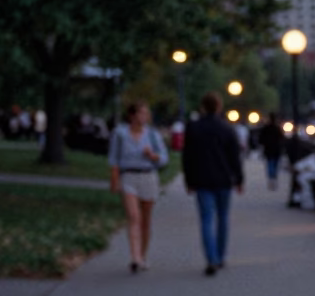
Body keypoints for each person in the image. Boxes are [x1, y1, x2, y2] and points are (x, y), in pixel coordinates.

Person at [183, 92, 244, 276]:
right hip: (224, 180)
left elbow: (188, 157)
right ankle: (220, 255)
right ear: (219, 107)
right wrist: (239, 179)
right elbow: (235, 157)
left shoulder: (194, 128)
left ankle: (211, 258)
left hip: (202, 180)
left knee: (206, 220)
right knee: (223, 218)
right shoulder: (227, 128)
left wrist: (189, 180)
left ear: (202, 107)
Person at [108, 102, 169, 273]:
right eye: (141, 113)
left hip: (148, 176)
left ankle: (143, 256)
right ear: (132, 115)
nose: (144, 117)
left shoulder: (152, 134)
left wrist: (153, 156)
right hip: (128, 176)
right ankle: (134, 257)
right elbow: (114, 159)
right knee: (134, 216)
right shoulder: (120, 133)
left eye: (146, 114)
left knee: (146, 219)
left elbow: (164, 159)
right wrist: (114, 179)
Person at [257, 113, 285, 191]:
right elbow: (282, 138)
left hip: (269, 149)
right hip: (276, 150)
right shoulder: (277, 128)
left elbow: (260, 139)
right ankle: (274, 178)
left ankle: (271, 178)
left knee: (270, 164)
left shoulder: (266, 128)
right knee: (275, 165)